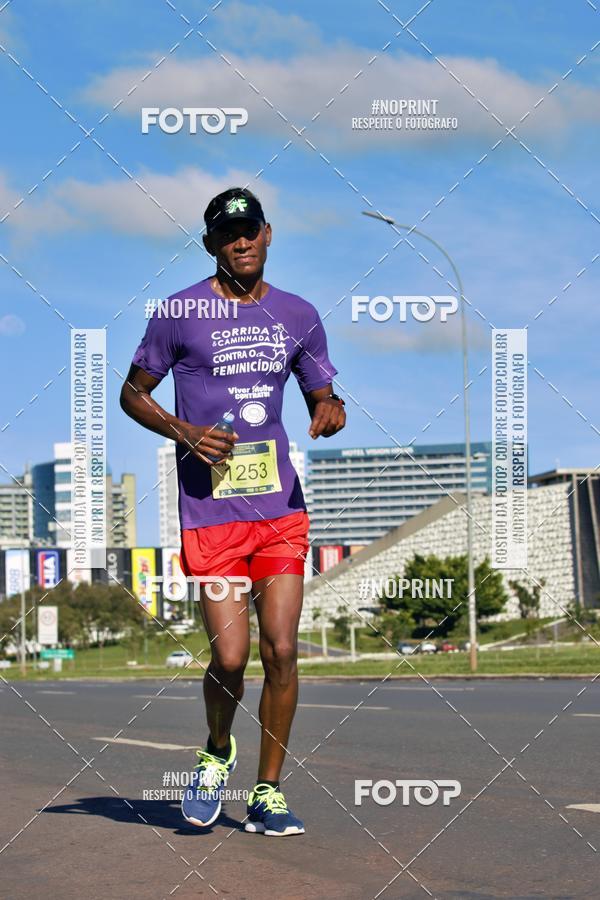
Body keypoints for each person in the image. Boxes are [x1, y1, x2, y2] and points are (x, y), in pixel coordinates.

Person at [120, 187, 345, 836]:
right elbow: (132, 393)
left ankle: (268, 791)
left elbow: (323, 393)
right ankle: (217, 751)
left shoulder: (298, 314)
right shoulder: (179, 313)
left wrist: (330, 410)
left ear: (268, 234)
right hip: (211, 513)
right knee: (228, 658)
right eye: (227, 233)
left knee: (282, 649)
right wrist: (183, 431)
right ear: (210, 244)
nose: (240, 241)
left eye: (249, 230)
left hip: (279, 511)